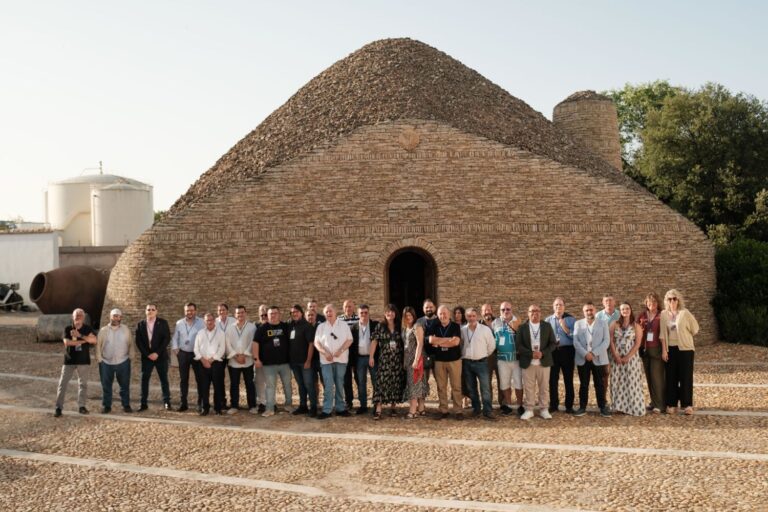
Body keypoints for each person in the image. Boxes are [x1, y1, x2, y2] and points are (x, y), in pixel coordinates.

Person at [660, 289, 699, 415]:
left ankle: (687, 405)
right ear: (666, 301)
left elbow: (695, 329)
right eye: (669, 299)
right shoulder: (664, 314)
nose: (672, 301)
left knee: (685, 377)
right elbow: (662, 334)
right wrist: (664, 350)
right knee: (671, 377)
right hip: (670, 348)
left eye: (674, 298)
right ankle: (671, 404)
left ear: (678, 300)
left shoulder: (685, 313)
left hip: (685, 349)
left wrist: (685, 334)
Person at [54, 308, 97, 417]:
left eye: (80, 315)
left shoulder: (87, 328)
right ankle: (58, 407)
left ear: (83, 317)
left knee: (83, 384)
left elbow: (94, 340)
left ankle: (81, 406)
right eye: (76, 315)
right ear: (72, 317)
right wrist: (85, 340)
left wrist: (80, 336)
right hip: (69, 360)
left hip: (84, 361)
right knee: (62, 384)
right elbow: (67, 343)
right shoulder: (68, 328)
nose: (78, 317)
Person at [313, 304, 353, 419]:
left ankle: (340, 408)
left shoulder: (343, 325)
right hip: (326, 361)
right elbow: (317, 343)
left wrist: (340, 351)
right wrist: (324, 353)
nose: (328, 314)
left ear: (335, 312)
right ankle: (327, 410)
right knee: (328, 385)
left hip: (341, 360)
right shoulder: (321, 327)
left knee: (340, 384)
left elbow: (350, 340)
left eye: (330, 311)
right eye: (326, 312)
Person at [517, 304, 556, 420]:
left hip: (543, 362)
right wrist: (531, 354)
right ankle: (529, 410)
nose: (535, 313)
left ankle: (544, 409)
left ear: (540, 313)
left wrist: (542, 353)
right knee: (529, 387)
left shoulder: (547, 326)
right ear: (528, 313)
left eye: (537, 311)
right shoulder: (522, 328)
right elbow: (518, 345)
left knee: (544, 387)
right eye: (532, 311)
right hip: (528, 363)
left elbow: (553, 343)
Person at [572, 302, 611, 417]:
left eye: (591, 310)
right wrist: (585, 354)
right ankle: (582, 407)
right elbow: (576, 341)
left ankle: (602, 407)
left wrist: (593, 353)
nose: (589, 312)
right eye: (586, 310)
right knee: (584, 384)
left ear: (595, 310)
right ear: (583, 312)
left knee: (600, 384)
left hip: (598, 358)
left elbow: (606, 341)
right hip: (583, 358)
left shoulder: (603, 323)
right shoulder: (578, 324)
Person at [253, 306, 292, 417]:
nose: (273, 315)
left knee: (287, 385)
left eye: (275, 313)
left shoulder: (285, 326)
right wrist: (256, 359)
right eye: (271, 314)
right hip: (268, 364)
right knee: (270, 386)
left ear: (279, 314)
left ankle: (288, 405)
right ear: (268, 315)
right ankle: (269, 408)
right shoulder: (262, 328)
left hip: (285, 363)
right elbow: (255, 344)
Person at [426, 305, 463, 420]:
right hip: (439, 361)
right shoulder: (434, 326)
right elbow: (431, 340)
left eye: (445, 313)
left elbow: (456, 342)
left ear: (449, 314)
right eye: (440, 314)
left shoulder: (455, 326)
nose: (443, 316)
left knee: (456, 386)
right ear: (438, 315)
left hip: (454, 360)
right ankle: (444, 410)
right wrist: (448, 340)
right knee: (441, 387)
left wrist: (439, 342)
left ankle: (458, 410)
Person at [609, 302, 645, 416]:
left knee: (631, 381)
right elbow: (610, 340)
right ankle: (619, 406)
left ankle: (633, 406)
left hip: (632, 358)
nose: (625, 311)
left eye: (627, 308)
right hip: (616, 357)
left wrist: (627, 357)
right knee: (617, 381)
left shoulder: (636, 326)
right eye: (623, 309)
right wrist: (616, 355)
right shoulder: (614, 324)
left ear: (630, 310)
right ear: (620, 311)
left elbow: (638, 343)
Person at [370, 304, 405, 419]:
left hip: (397, 359)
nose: (390, 314)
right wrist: (371, 356)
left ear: (395, 314)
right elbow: (374, 341)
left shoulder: (400, 326)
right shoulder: (380, 326)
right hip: (384, 359)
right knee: (381, 383)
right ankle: (378, 409)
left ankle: (393, 407)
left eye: (392, 312)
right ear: (385, 314)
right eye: (388, 312)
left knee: (395, 382)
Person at [96, 308, 135, 414]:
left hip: (123, 362)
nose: (116, 318)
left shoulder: (125, 329)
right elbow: (98, 345)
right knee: (106, 386)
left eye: (118, 316)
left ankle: (126, 405)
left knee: (124, 385)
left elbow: (130, 343)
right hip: (106, 363)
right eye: (114, 316)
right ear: (110, 317)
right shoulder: (103, 330)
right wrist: (100, 359)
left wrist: (131, 356)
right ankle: (107, 406)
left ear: (121, 318)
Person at [461, 308, 497, 420]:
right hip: (467, 363)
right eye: (469, 316)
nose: (471, 318)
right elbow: (461, 345)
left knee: (485, 388)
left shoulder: (485, 330)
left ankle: (487, 411)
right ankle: (476, 409)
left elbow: (492, 345)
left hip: (482, 362)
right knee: (471, 388)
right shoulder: (463, 330)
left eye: (473, 316)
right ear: (466, 317)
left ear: (476, 316)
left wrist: (484, 354)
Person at [135, 303, 172, 411]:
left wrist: (157, 353)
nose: (150, 311)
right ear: (145, 311)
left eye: (152, 309)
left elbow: (167, 338)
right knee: (144, 380)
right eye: (148, 309)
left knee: (164, 379)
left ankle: (167, 402)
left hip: (160, 356)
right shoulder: (140, 324)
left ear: (156, 311)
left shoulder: (163, 323)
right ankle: (143, 403)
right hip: (147, 357)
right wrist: (147, 354)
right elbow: (138, 341)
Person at [171, 302, 205, 412]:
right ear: (184, 311)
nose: (189, 312)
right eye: (187, 310)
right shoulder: (179, 323)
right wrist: (177, 351)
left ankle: (200, 403)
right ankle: (183, 404)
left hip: (197, 355)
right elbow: (175, 338)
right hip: (183, 354)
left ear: (195, 311)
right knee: (183, 380)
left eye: (191, 310)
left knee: (200, 379)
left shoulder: (202, 323)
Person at [545, 297, 577, 414]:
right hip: (553, 352)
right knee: (552, 379)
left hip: (567, 351)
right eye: (556, 305)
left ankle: (569, 406)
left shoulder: (571, 320)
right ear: (553, 307)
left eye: (560, 305)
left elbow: (575, 337)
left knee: (568, 379)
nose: (558, 307)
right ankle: (554, 405)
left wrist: (565, 328)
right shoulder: (547, 320)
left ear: (564, 307)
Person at [491, 301, 523, 416]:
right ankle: (508, 405)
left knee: (518, 383)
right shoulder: (495, 323)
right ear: (500, 311)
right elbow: (492, 339)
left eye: (508, 309)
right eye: (503, 309)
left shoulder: (518, 321)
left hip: (516, 359)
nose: (505, 311)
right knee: (505, 384)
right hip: (502, 359)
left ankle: (520, 405)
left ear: (511, 310)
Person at [225, 305, 257, 414]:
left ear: (245, 313)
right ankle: (234, 405)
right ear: (235, 315)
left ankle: (252, 405)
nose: (240, 315)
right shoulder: (230, 328)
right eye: (238, 313)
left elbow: (253, 342)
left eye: (242, 312)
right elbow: (227, 344)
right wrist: (235, 356)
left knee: (249, 383)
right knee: (234, 384)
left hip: (247, 360)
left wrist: (245, 355)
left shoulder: (252, 327)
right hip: (234, 361)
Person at [637, 292, 665, 414]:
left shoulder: (661, 315)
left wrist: (664, 350)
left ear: (657, 303)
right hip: (644, 350)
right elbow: (637, 330)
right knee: (649, 377)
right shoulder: (642, 315)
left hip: (657, 349)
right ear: (646, 304)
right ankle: (654, 402)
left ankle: (660, 404)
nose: (651, 304)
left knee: (657, 377)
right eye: (649, 302)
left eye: (654, 302)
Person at [194, 312, 226, 415]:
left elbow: (222, 349)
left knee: (218, 386)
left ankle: (218, 408)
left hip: (216, 363)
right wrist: (203, 360)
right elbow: (196, 349)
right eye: (207, 320)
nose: (209, 322)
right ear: (204, 322)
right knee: (204, 386)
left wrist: (211, 360)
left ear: (214, 321)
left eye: (211, 320)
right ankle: (205, 408)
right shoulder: (200, 333)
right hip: (202, 363)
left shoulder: (221, 333)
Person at [288, 304, 317, 416]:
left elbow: (311, 344)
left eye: (296, 312)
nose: (294, 314)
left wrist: (308, 361)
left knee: (309, 384)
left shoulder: (307, 326)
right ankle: (303, 406)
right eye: (292, 312)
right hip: (294, 362)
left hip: (305, 362)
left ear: (301, 313)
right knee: (301, 385)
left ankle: (313, 407)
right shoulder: (290, 325)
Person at [351, 304, 379, 415]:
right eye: (361, 313)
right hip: (359, 359)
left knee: (375, 382)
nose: (363, 314)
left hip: (372, 358)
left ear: (369, 313)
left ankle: (376, 405)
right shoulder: (354, 327)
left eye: (365, 312)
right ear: (358, 314)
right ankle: (363, 405)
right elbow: (352, 346)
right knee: (361, 383)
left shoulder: (375, 325)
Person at [402, 306, 428, 418]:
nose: (409, 317)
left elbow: (420, 344)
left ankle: (412, 411)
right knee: (418, 383)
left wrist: (416, 360)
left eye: (410, 315)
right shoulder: (405, 328)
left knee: (414, 384)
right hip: (408, 360)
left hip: (416, 359)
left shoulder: (417, 326)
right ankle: (421, 408)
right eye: (406, 315)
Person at [596, 294, 620, 398]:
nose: (608, 303)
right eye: (606, 301)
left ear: (614, 302)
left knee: (618, 375)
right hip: (603, 349)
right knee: (604, 374)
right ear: (603, 302)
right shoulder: (598, 316)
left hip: (617, 348)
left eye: (610, 300)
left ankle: (617, 399)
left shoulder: (620, 314)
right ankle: (603, 399)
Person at [340, 299, 359, 412]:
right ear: (343, 308)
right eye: (346, 306)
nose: (348, 308)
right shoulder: (339, 320)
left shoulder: (358, 318)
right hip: (344, 353)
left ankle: (362, 401)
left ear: (354, 307)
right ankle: (349, 401)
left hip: (356, 353)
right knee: (346, 379)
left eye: (350, 306)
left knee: (358, 378)